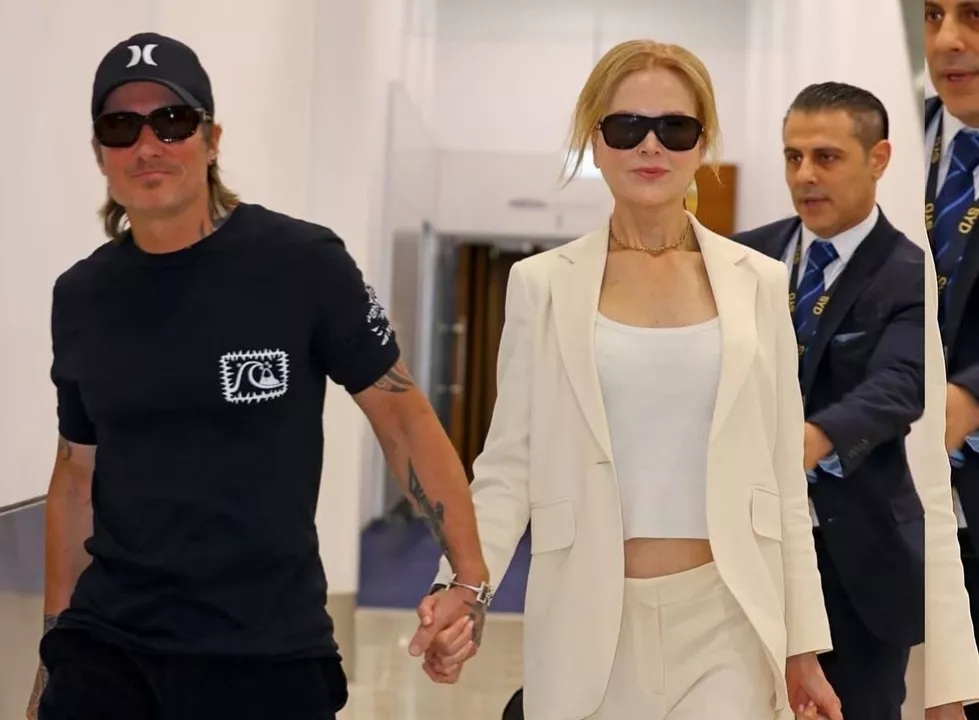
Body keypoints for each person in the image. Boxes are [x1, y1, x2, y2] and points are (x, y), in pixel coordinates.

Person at [25, 32, 488, 720]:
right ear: (99, 152)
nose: (148, 145)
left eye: (172, 121)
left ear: (212, 140)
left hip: (265, 649)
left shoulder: (303, 264)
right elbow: (76, 475)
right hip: (109, 649)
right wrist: (53, 653)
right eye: (121, 127)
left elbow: (402, 418)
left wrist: (469, 582)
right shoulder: (82, 296)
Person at [410, 39, 842, 720]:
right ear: (595, 140)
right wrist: (461, 586)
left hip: (728, 617)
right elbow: (508, 466)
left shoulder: (758, 283)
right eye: (626, 126)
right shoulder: (541, 285)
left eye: (675, 128)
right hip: (586, 616)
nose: (650, 146)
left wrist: (804, 646)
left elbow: (783, 479)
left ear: (702, 143)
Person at [733, 82, 925, 720]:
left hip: (856, 569)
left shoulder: (911, 274)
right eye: (793, 157)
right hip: (744, 552)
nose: (805, 175)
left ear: (878, 158)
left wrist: (812, 440)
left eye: (826, 157)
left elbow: (901, 383)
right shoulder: (741, 258)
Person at [924, 2, 979, 718]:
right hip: (884, 504)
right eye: (932, 13)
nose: (947, 39)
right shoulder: (884, 144)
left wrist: (969, 394)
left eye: (972, 14)